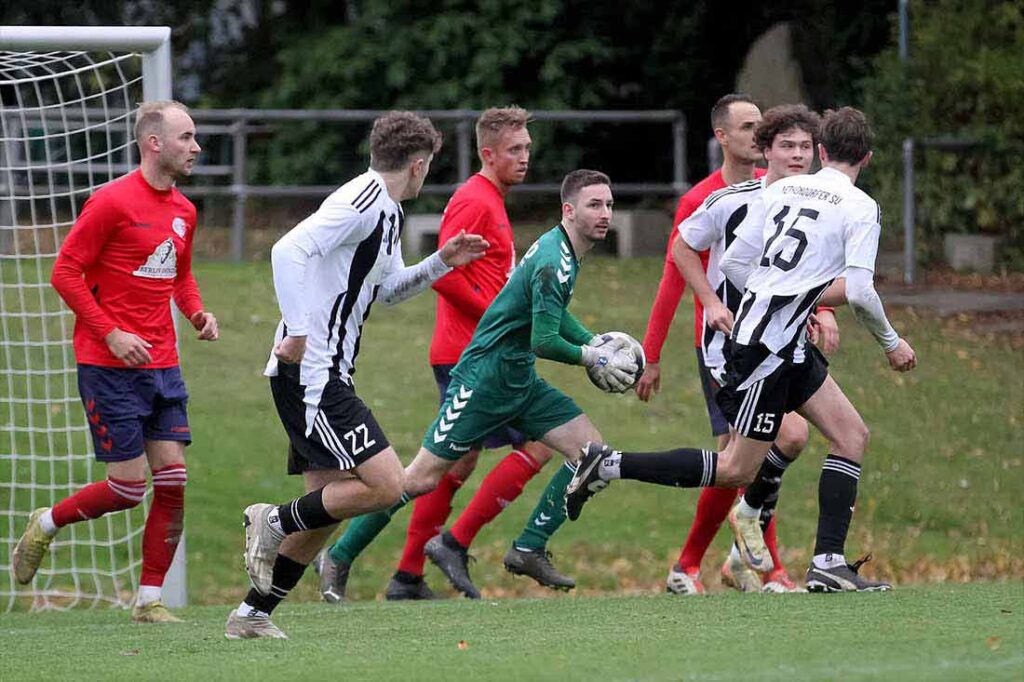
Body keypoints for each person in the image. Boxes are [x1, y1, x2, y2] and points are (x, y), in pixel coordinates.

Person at [567, 107, 916, 593]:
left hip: (784, 343)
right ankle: (607, 464)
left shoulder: (783, 191)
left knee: (851, 434)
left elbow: (733, 263)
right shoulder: (860, 207)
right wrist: (891, 342)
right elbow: (859, 291)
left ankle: (827, 563)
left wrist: (786, 297)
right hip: (762, 353)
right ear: (869, 158)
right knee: (735, 467)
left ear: (819, 152)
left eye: (803, 147)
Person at [315, 170, 638, 602]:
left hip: (519, 380)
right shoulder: (552, 260)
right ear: (569, 210)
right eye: (594, 205)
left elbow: (552, 317)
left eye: (610, 205)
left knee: (593, 454)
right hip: (483, 381)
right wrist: (590, 355)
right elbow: (544, 340)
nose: (605, 214)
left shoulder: (563, 251)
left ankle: (529, 547)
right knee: (417, 479)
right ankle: (339, 554)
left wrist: (591, 340)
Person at [226, 111, 488, 640]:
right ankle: (270, 520)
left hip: (321, 372)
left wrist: (443, 260)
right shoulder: (362, 202)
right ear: (417, 165)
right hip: (312, 373)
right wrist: (297, 331)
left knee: (323, 510)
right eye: (428, 167)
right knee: (387, 485)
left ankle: (252, 614)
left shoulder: (385, 211)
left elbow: (388, 290)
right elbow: (286, 250)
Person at [318, 106, 563, 602]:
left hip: (478, 352)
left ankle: (404, 574)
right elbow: (444, 273)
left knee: (451, 466)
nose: (524, 158)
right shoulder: (474, 199)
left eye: (527, 150)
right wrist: (499, 316)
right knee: (526, 448)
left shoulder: (490, 199)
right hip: (468, 354)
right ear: (487, 153)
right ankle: (433, 546)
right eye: (514, 150)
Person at [12, 100, 218, 623]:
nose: (196, 147)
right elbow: (66, 272)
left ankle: (148, 602)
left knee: (173, 481)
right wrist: (111, 332)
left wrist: (196, 313)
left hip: (163, 366)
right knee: (127, 490)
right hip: (108, 367)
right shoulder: (110, 202)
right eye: (186, 137)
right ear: (154, 143)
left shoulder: (184, 211)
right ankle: (47, 523)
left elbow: (180, 275)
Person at [671, 104, 826, 594]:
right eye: (787, 146)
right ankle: (759, 567)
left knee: (747, 457)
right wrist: (712, 302)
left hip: (781, 345)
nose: (797, 155)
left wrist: (822, 314)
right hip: (731, 348)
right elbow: (680, 250)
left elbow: (810, 271)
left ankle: (712, 563)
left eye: (805, 147)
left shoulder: (815, 204)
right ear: (766, 149)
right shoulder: (724, 199)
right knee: (760, 450)